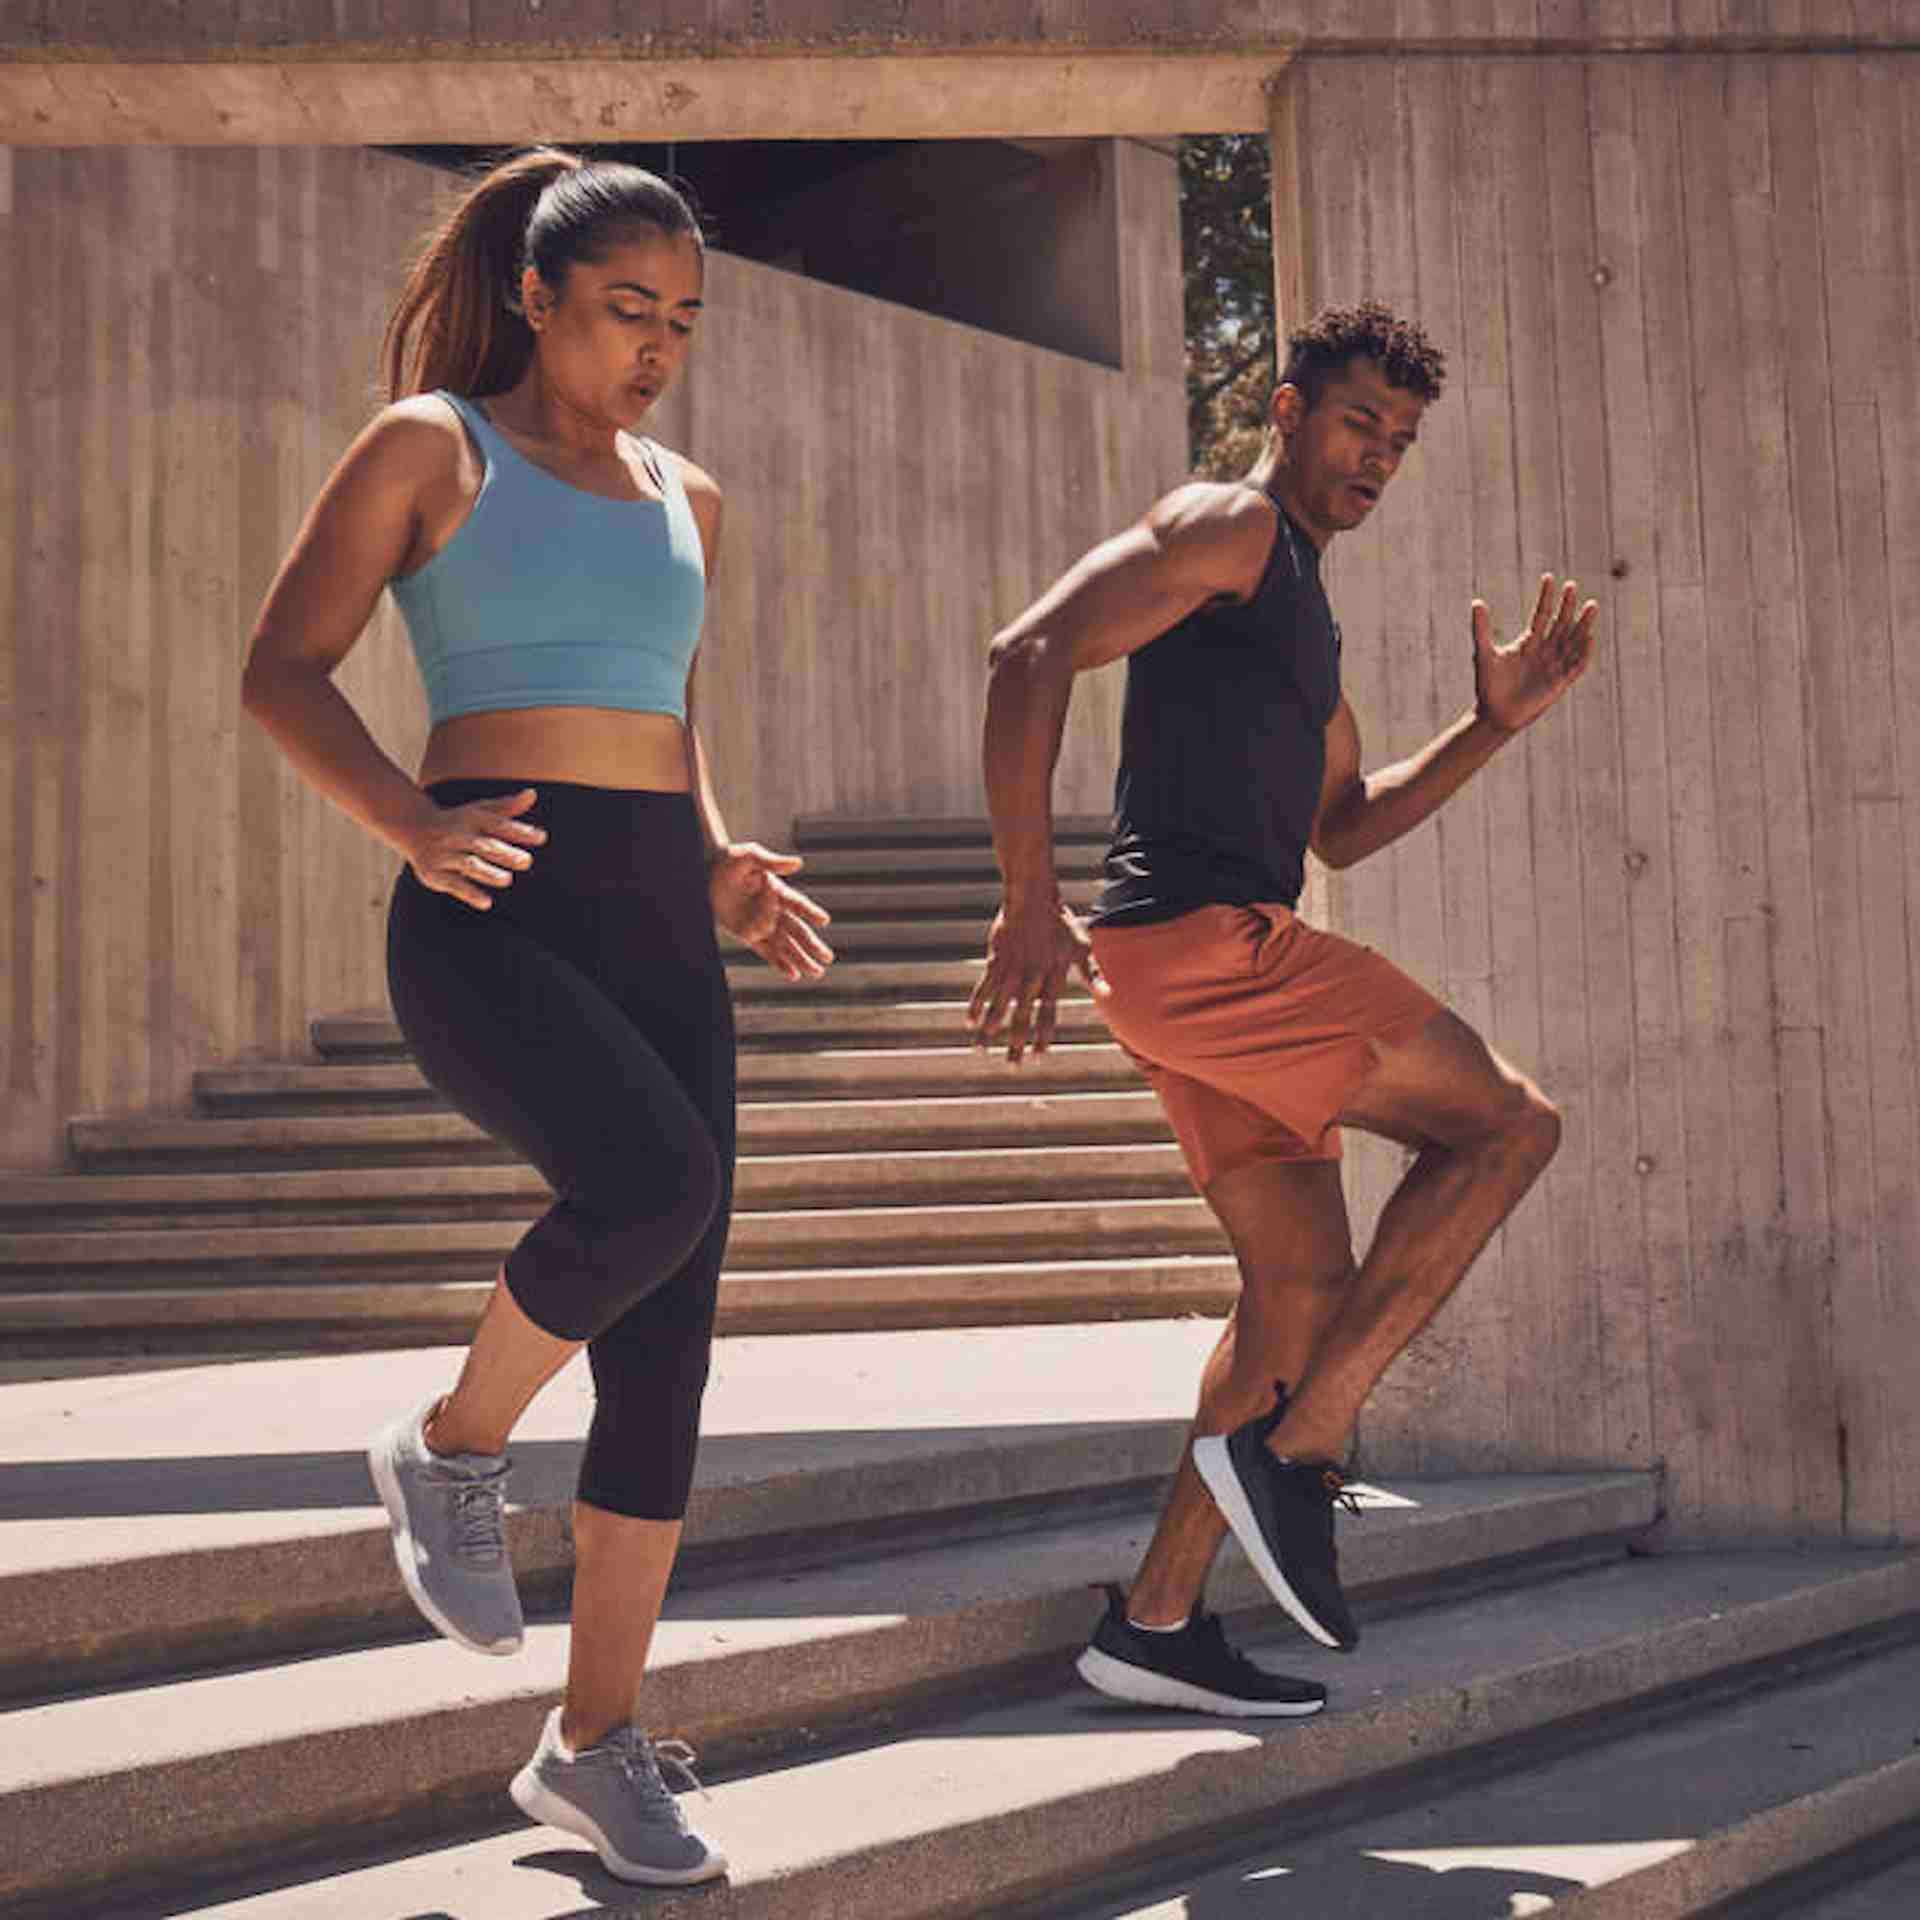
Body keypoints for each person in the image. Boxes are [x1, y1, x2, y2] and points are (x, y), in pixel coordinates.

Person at [241, 148, 834, 1883]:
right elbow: (282, 665)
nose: (655, 348)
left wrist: (720, 858)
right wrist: (409, 826)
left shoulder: (687, 493)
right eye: (624, 312)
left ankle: (594, 1745)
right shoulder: (437, 447)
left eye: (682, 321)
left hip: (662, 911)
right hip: (491, 896)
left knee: (669, 1353)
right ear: (539, 299)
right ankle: (451, 1448)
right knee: (653, 1191)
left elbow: (668, 713)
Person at [971, 302, 1596, 1717]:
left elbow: (1346, 826)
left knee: (1295, 1295)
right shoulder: (1227, 528)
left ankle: (1154, 1619)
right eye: (1361, 421)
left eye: (1404, 438)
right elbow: (1027, 656)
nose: (1381, 454)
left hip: (1193, 975)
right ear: (1288, 410)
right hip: (1209, 954)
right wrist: (1024, 895)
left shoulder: (1299, 607)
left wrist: (1493, 724)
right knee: (1508, 1128)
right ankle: (1303, 1449)